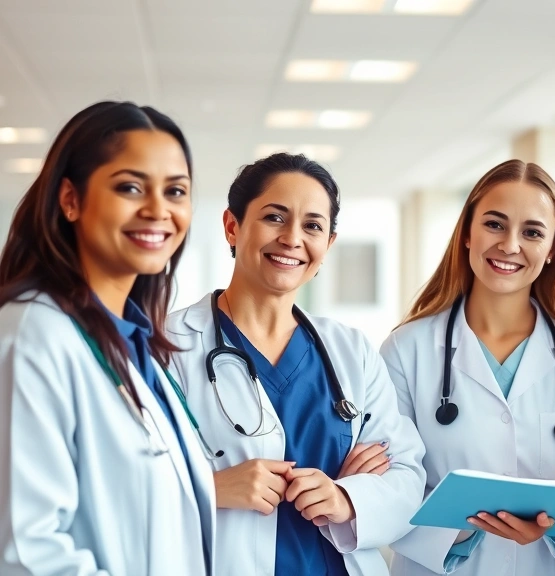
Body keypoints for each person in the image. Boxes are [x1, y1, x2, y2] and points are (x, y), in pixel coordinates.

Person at [164, 153, 426, 576]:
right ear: (233, 226)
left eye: (313, 226)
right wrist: (210, 488)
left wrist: (347, 498)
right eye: (274, 217)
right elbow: (119, 482)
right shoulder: (168, 347)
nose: (292, 239)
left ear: (328, 245)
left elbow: (405, 475)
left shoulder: (350, 351)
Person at [0, 101, 213, 575]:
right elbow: (25, 551)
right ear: (70, 199)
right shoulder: (34, 334)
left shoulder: (137, 345)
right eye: (130, 187)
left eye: (175, 190)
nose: (159, 209)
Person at [380, 159, 555, 575]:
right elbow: (384, 488)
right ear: (467, 234)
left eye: (532, 232)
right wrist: (465, 526)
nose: (510, 245)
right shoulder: (407, 350)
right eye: (494, 224)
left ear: (553, 249)